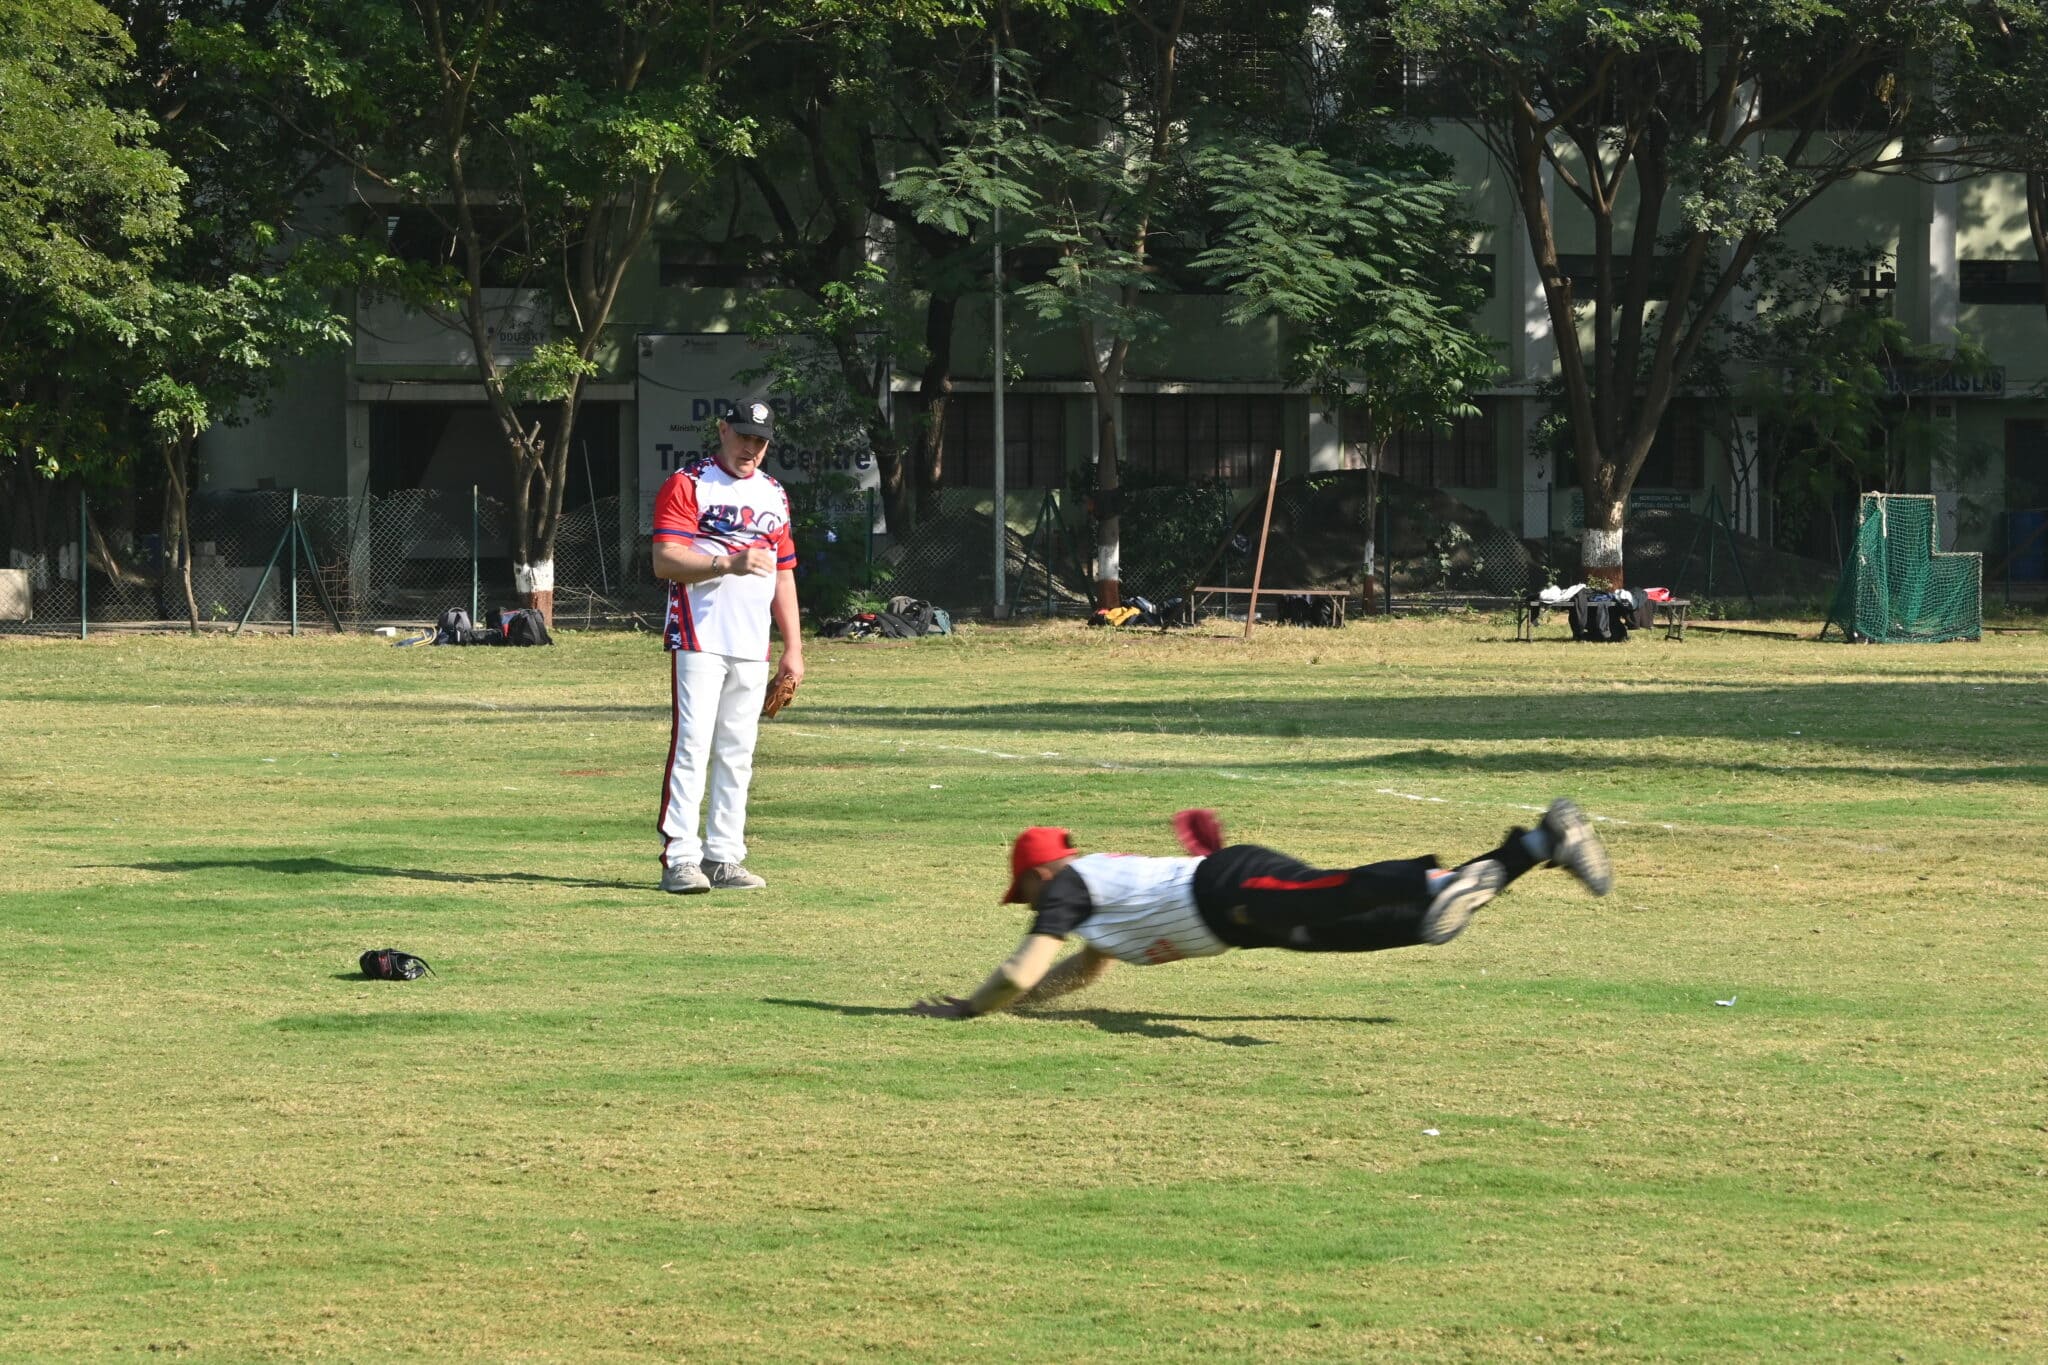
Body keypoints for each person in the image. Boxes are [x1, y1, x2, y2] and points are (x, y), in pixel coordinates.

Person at [910, 799, 1612, 1018]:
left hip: (1228, 890)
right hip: (1241, 921)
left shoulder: (1064, 888)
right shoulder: (1093, 899)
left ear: (1035, 875)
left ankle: (1432, 881)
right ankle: (1538, 841)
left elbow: (1023, 966)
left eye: (1022, 891)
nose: (1027, 905)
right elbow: (1082, 971)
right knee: (1412, 928)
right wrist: (1026, 1007)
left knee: (1334, 891)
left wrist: (970, 1008)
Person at [650, 400, 804, 894]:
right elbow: (665, 559)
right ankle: (680, 857)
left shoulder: (774, 493)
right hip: (699, 635)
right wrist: (726, 564)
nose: (750, 448)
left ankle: (723, 854)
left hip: (752, 641)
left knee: (739, 751)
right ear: (722, 431)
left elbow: (783, 573)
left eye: (759, 440)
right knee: (692, 746)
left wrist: (793, 649)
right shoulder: (689, 483)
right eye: (742, 436)